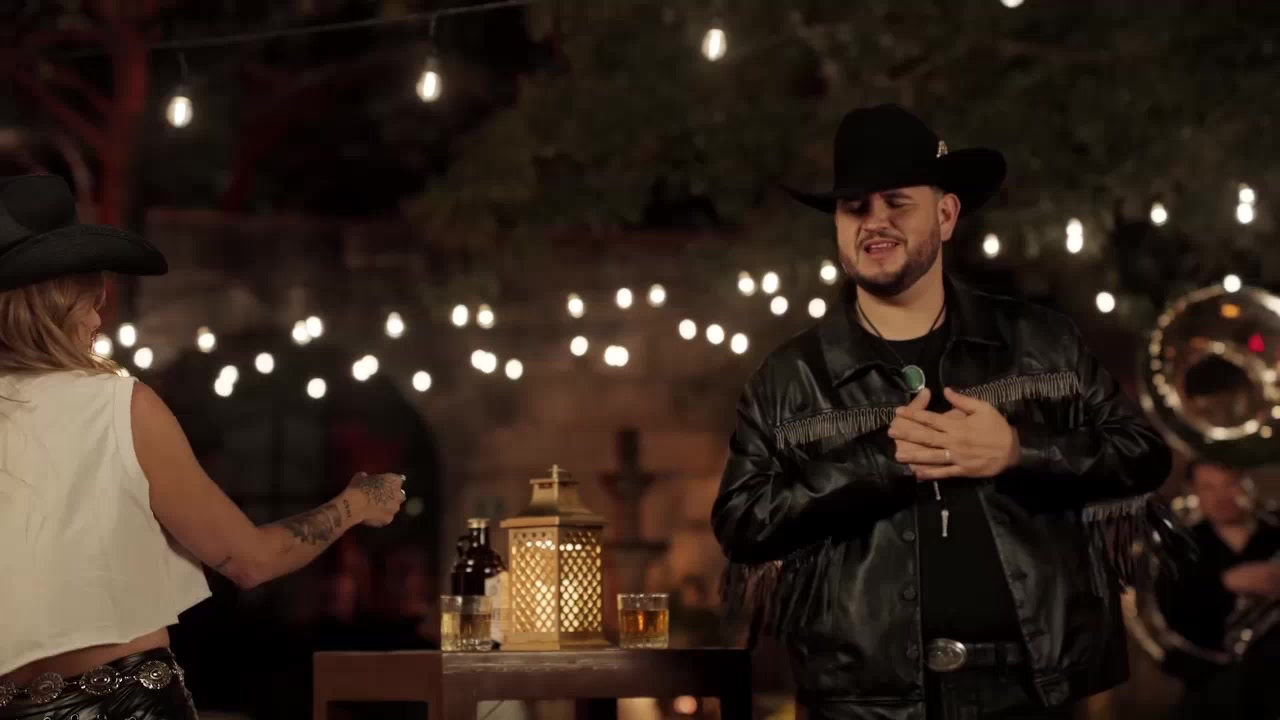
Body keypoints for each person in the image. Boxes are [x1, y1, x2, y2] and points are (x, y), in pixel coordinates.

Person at [711, 105, 1173, 719]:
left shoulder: (1040, 341)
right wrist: (882, 462)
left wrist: (1019, 451)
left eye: (897, 202)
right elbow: (740, 521)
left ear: (947, 214)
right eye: (855, 207)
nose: (874, 222)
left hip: (1029, 697)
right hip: (861, 707)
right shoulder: (790, 376)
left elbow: (1143, 456)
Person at [0, 174, 407, 719]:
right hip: (126, 706)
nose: (97, 319)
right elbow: (250, 560)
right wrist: (357, 503)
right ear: (53, 306)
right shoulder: (117, 405)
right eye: (88, 302)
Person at [1162, 461, 1280, 719]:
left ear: (1247, 483)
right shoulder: (1181, 546)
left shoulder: (1275, 530)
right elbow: (1174, 617)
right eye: (1209, 488)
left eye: (1230, 484)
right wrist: (1225, 583)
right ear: (1194, 492)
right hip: (1213, 684)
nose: (1222, 496)